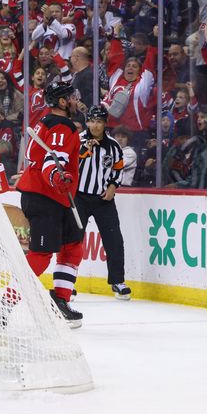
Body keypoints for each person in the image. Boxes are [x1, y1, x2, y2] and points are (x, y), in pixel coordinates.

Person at [12, 81, 84, 327]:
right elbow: (51, 162)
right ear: (62, 102)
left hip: (56, 197)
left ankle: (60, 301)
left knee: (73, 245)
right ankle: (6, 302)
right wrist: (57, 177)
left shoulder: (49, 122)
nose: (75, 100)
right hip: (45, 196)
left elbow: (50, 156)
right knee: (41, 255)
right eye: (71, 97)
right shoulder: (62, 125)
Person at [75, 107, 131, 300]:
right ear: (87, 122)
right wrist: (84, 151)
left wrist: (113, 186)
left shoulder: (114, 146)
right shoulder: (77, 140)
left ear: (105, 123)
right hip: (78, 198)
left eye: (99, 121)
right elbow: (69, 165)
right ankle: (68, 282)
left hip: (103, 199)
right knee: (73, 241)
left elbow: (118, 168)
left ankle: (117, 281)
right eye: (92, 121)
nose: (95, 125)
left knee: (114, 240)